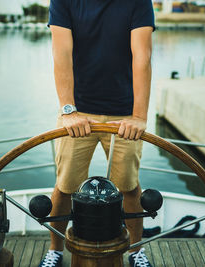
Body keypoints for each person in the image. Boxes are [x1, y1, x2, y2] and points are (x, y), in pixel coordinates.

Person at [40, 0, 154, 266]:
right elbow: (61, 54)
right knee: (65, 186)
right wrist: (69, 111)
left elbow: (142, 56)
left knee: (128, 187)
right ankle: (55, 250)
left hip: (125, 115)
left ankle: (136, 251)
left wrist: (139, 117)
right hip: (78, 112)